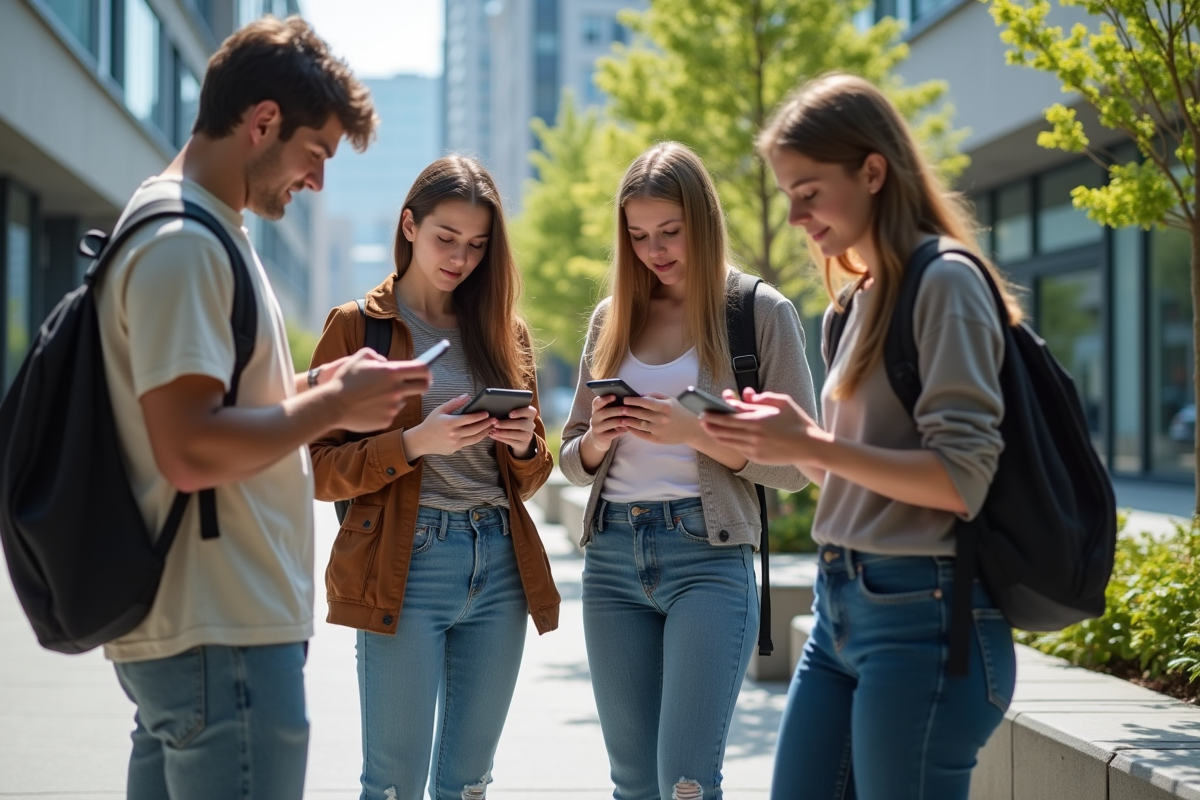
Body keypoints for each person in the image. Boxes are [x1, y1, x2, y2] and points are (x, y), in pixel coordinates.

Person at [94, 16, 433, 800]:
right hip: (223, 631)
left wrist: (322, 391)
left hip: (211, 630)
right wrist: (331, 407)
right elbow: (186, 447)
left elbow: (215, 411)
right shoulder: (184, 243)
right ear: (263, 123)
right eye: (316, 154)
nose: (317, 181)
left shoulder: (206, 228)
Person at [700, 73, 1020, 800]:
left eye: (807, 192)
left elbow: (959, 480)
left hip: (925, 616)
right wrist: (789, 440)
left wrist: (811, 444)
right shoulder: (853, 305)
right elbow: (857, 472)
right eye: (787, 195)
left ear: (872, 171)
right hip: (841, 608)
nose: (793, 216)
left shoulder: (945, 283)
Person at [558, 142, 817, 800]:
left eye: (670, 232)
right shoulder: (611, 318)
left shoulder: (760, 314)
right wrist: (597, 441)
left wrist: (694, 434)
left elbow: (798, 466)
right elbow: (571, 454)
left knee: (685, 783)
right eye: (639, 236)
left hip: (708, 557)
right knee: (633, 782)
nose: (654, 250)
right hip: (613, 558)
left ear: (703, 221)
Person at [308, 155, 560, 800]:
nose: (460, 258)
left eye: (477, 246)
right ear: (409, 226)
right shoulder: (357, 327)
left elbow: (530, 478)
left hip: (499, 562)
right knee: (391, 785)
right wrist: (415, 443)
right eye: (446, 238)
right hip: (405, 561)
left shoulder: (507, 333)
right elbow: (315, 467)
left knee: (470, 783)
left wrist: (526, 445)